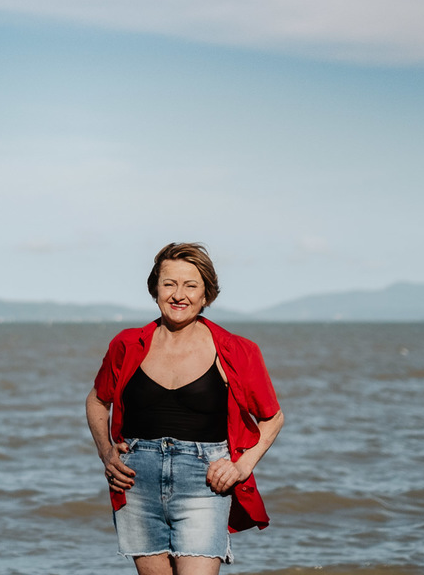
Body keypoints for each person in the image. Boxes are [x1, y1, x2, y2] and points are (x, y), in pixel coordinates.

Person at [86, 242, 284, 574]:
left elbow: (272, 416)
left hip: (204, 483)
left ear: (206, 295)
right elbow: (96, 400)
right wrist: (106, 452)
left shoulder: (237, 350)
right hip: (137, 482)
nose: (179, 294)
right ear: (155, 290)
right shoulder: (126, 344)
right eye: (169, 284)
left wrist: (242, 466)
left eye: (191, 285)